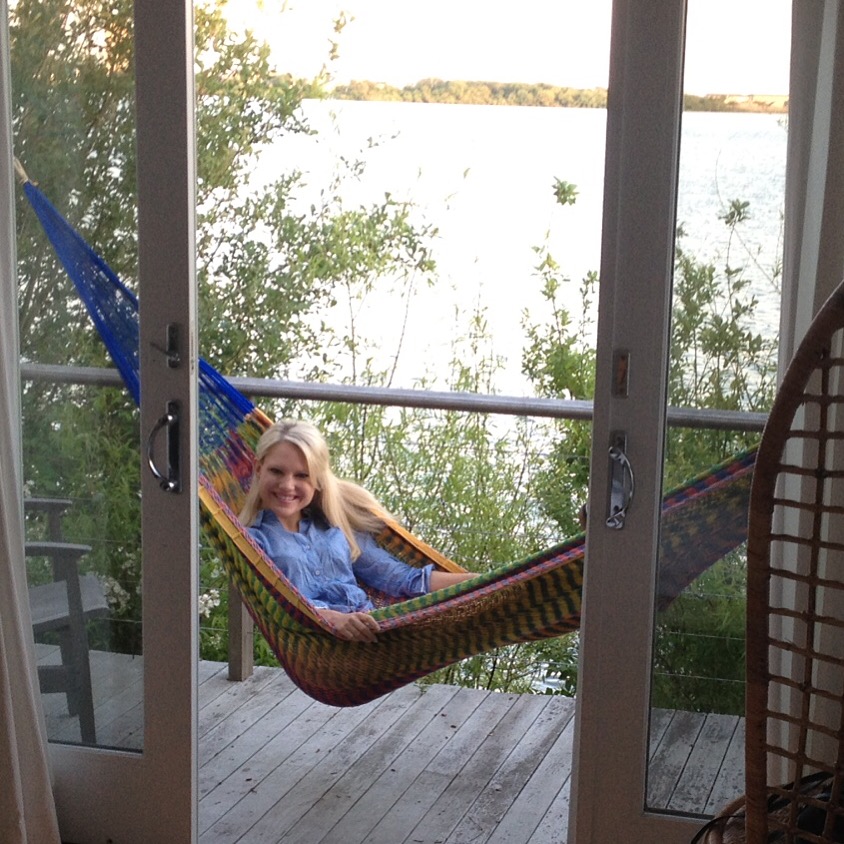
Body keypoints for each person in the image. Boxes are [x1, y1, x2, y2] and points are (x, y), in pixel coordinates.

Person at [239, 419, 475, 643]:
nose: (287, 485)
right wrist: (334, 620)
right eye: (277, 472)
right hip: (320, 641)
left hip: (373, 633)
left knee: (459, 625)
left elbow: (399, 578)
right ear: (259, 469)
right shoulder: (253, 541)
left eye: (302, 475)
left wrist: (479, 584)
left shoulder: (334, 527)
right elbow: (282, 604)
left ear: (318, 481)